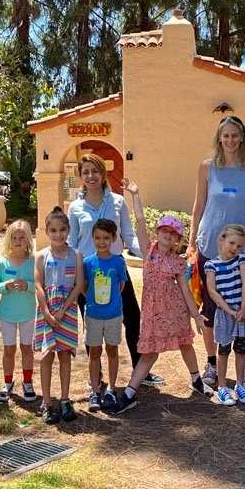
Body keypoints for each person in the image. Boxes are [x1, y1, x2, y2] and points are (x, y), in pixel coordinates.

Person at [108, 180, 208, 415]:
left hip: (175, 312)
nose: (168, 235)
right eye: (164, 230)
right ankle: (130, 393)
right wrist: (135, 195)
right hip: (153, 314)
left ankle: (197, 379)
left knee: (186, 342)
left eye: (173, 234)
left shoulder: (177, 262)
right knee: (149, 352)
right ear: (158, 233)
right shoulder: (148, 252)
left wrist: (195, 315)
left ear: (177, 240)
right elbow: (140, 222)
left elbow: (184, 289)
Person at [66, 154, 162, 387]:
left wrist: (148, 255)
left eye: (95, 171)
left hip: (115, 268)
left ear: (103, 174)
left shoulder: (118, 201)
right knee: (92, 322)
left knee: (132, 317)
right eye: (86, 172)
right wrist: (68, 270)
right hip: (88, 271)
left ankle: (142, 371)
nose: (91, 176)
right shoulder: (76, 207)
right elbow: (71, 241)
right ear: (81, 176)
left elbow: (128, 235)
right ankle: (95, 376)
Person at [188, 115, 245, 393]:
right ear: (219, 138)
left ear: (242, 137)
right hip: (210, 247)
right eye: (225, 135)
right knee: (211, 308)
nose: (230, 140)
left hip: (242, 250)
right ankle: (211, 363)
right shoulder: (207, 167)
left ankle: (243, 369)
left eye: (235, 135)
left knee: (242, 306)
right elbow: (199, 205)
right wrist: (192, 241)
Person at [35, 206, 83, 424]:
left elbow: (78, 283)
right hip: (47, 311)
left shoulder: (76, 255)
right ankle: (46, 402)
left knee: (65, 355)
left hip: (68, 311)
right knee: (47, 356)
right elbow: (38, 285)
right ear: (47, 231)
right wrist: (46, 312)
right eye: (53, 230)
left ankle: (64, 399)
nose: (58, 234)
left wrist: (64, 309)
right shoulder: (41, 256)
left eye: (62, 229)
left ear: (69, 229)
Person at [204, 224, 245, 407]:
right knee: (224, 350)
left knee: (241, 349)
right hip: (225, 312)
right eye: (232, 243)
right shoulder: (211, 265)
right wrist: (229, 310)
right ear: (222, 239)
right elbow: (212, 291)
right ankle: (222, 387)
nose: (235, 248)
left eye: (239, 245)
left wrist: (243, 309)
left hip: (243, 309)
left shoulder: (242, 259)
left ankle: (240, 385)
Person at [0, 220, 38, 403]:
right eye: (14, 238)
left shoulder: (34, 262)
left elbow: (40, 285)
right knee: (9, 348)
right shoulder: (2, 263)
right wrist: (5, 285)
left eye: (22, 238)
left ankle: (28, 382)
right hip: (7, 313)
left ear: (28, 240)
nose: (18, 241)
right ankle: (7, 382)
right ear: (8, 240)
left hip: (27, 312)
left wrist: (29, 286)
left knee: (26, 347)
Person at [83, 218, 128, 411]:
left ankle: (110, 388)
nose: (101, 242)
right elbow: (84, 288)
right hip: (93, 315)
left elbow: (121, 286)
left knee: (112, 351)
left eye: (106, 238)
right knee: (94, 352)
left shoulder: (118, 262)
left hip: (113, 315)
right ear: (92, 238)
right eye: (97, 238)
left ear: (113, 239)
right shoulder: (87, 262)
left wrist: (110, 304)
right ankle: (95, 390)